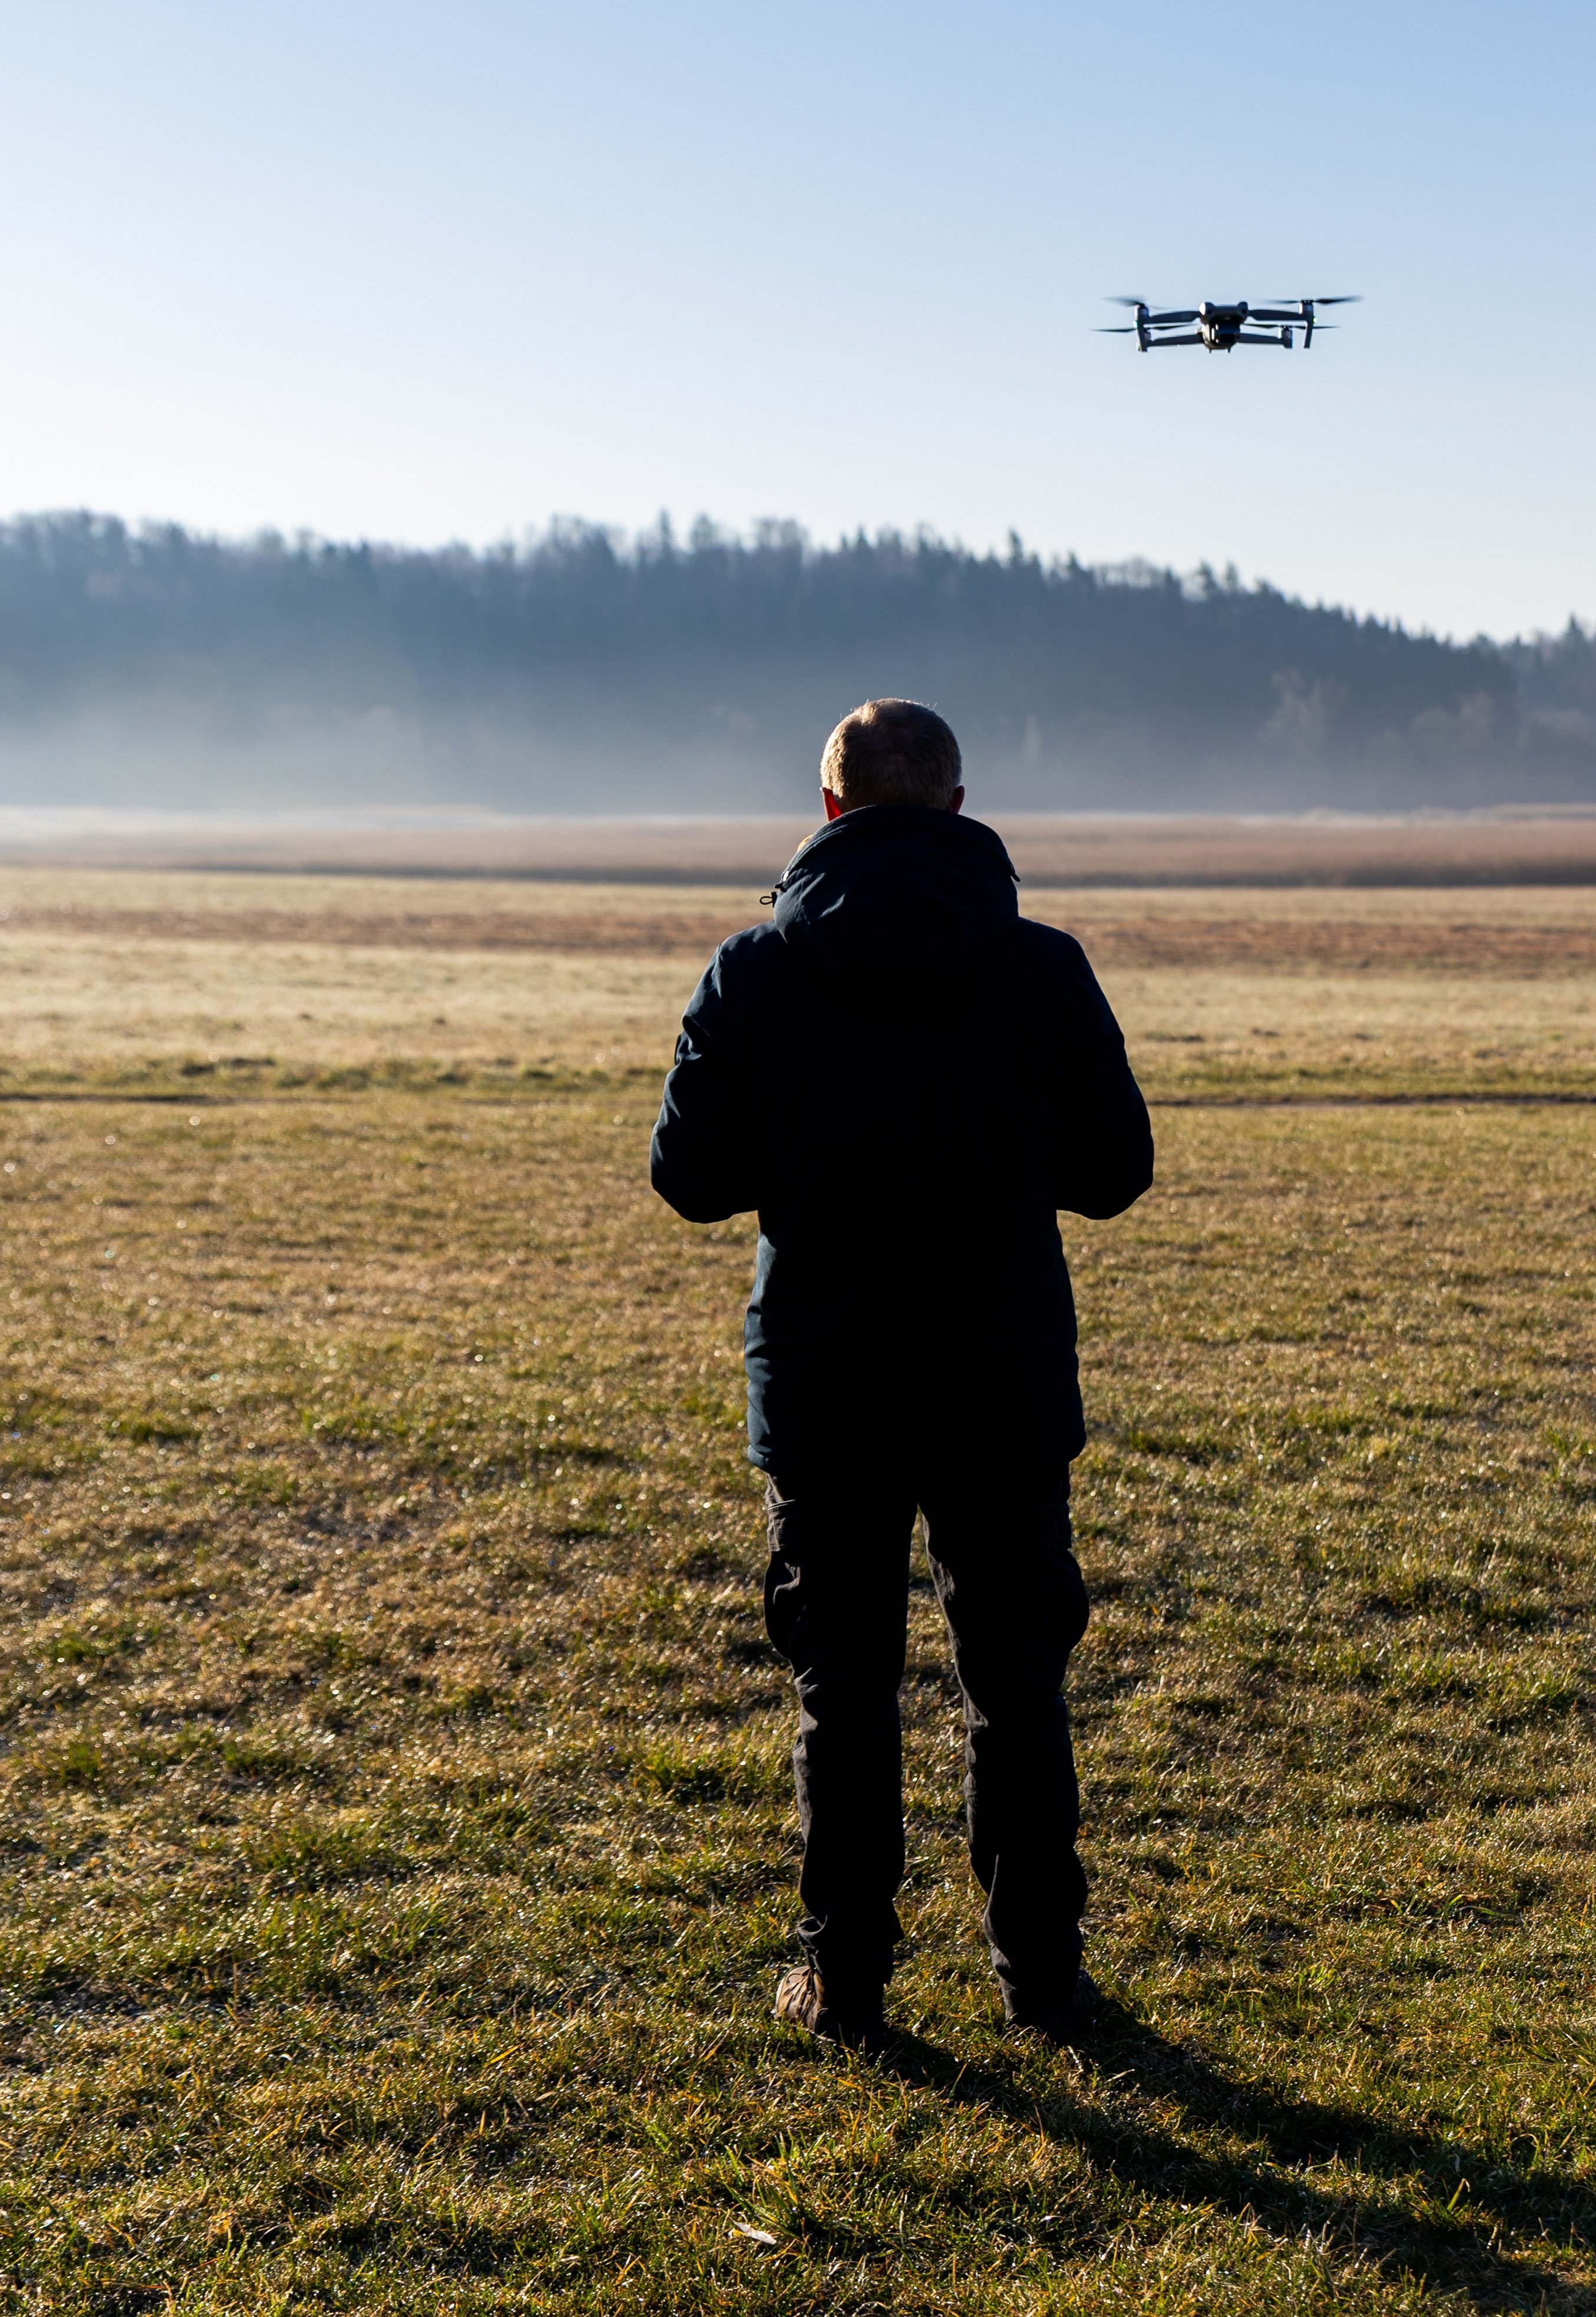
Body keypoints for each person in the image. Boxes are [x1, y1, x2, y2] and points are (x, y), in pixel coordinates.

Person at [649, 698, 1153, 2048]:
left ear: (827, 811)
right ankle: (1043, 1979)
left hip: (825, 1383)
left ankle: (843, 1976)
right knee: (1015, 1688)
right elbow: (1115, 1177)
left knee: (842, 1689)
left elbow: (687, 1180)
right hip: (998, 1377)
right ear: (959, 802)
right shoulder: (1043, 970)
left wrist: (809, 1158)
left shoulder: (750, 972)